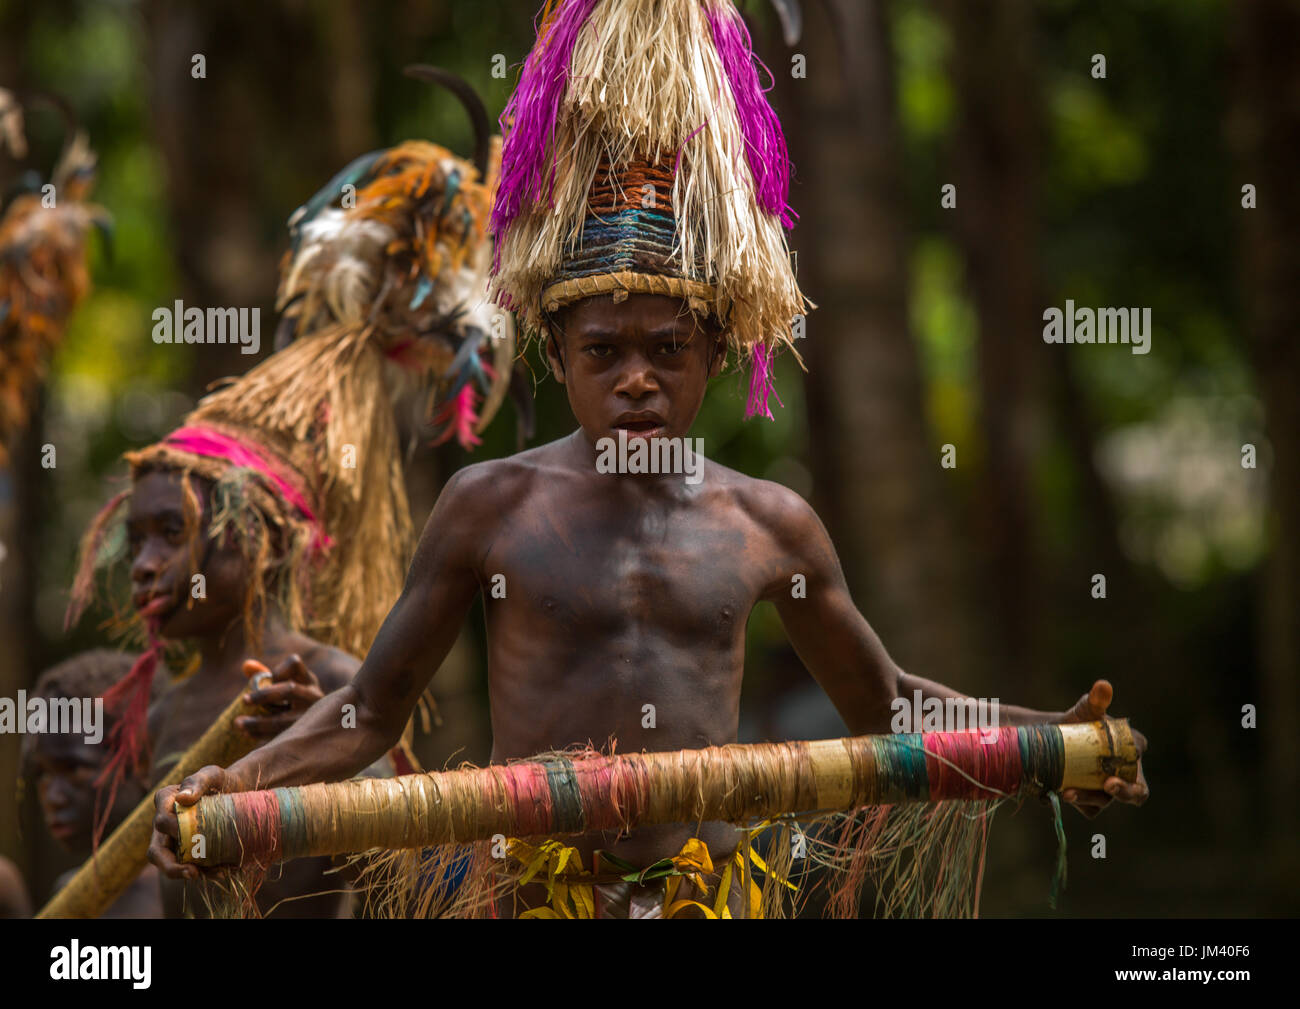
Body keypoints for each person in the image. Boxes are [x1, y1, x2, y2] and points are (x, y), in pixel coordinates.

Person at [148, 0, 1148, 918]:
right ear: (556, 357)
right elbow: (369, 711)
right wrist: (237, 783)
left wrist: (1049, 739)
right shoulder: (487, 507)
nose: (636, 381)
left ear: (715, 355)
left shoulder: (769, 524)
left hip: (710, 898)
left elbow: (883, 704)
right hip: (529, 898)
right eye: (604, 354)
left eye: (666, 352)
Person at [22, 650, 163, 917]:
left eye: (74, 768)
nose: (53, 797)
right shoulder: (71, 893)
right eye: (42, 774)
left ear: (143, 761)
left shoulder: (184, 890)